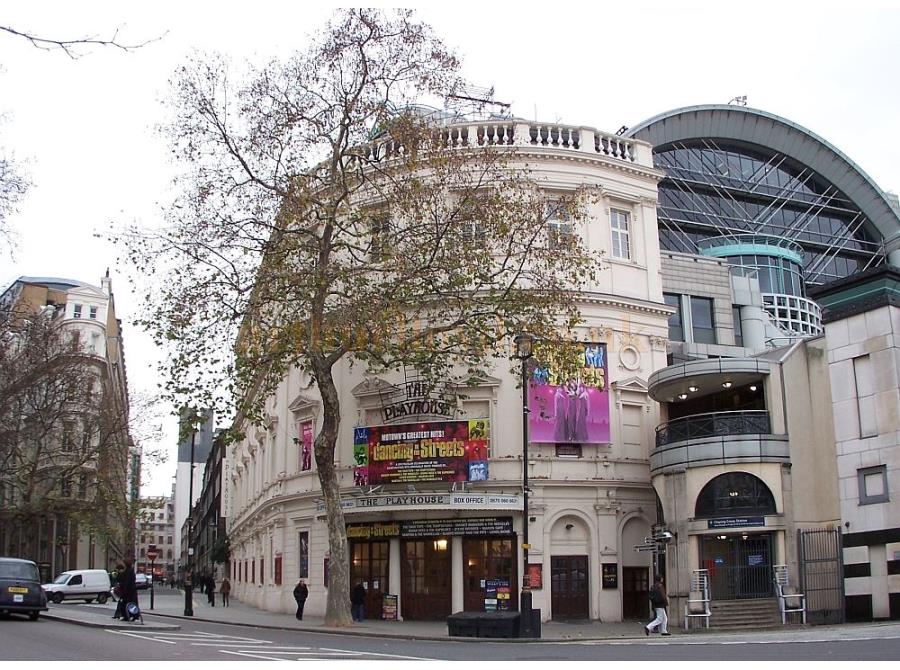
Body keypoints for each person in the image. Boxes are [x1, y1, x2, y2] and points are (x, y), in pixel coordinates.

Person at [121, 557, 139, 622]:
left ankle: (128, 616)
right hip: (132, 591)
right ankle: (133, 616)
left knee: (127, 603)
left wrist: (124, 590)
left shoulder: (128, 571)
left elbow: (127, 581)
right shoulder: (130, 570)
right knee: (132, 603)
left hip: (129, 591)